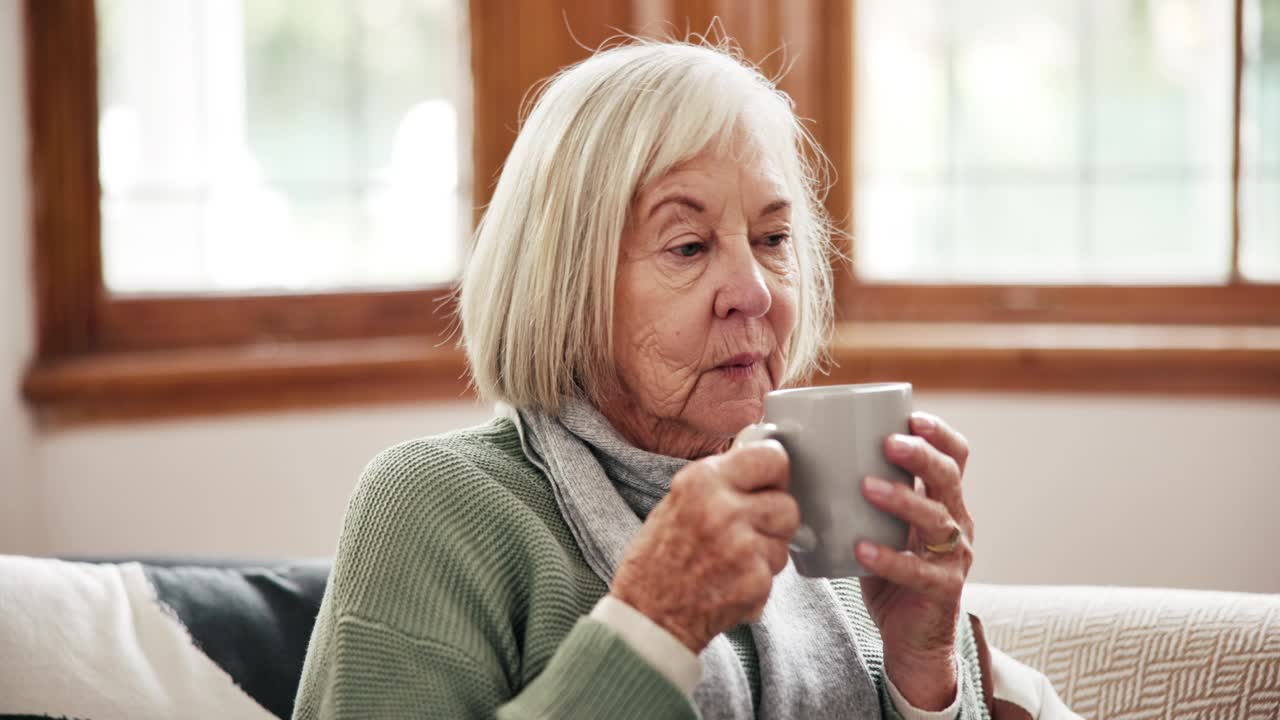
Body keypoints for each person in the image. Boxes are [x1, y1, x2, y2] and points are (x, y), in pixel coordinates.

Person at [293, 39, 1074, 719]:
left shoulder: (829, 506)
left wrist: (924, 671)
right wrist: (652, 623)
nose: (756, 290)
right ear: (567, 284)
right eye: (690, 246)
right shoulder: (437, 506)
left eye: (772, 237)